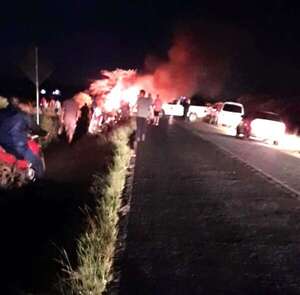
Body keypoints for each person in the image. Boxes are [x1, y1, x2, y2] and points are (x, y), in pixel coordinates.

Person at [0, 97, 47, 178]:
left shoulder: (2, 112)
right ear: (21, 104)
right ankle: (40, 180)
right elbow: (35, 128)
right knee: (37, 162)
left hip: (3, 146)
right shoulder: (22, 115)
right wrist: (44, 133)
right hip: (17, 147)